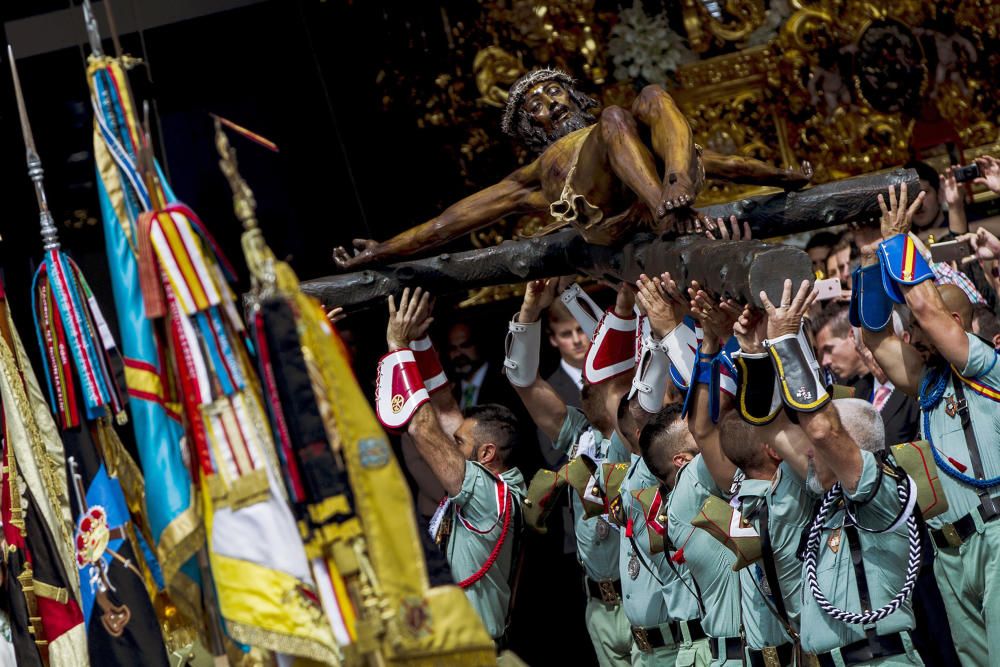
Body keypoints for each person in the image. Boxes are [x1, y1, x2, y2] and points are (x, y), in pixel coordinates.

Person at [334, 69, 811, 269]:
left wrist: (782, 177)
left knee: (650, 95)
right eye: (535, 105)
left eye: (554, 91)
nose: (550, 103)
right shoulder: (536, 172)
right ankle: (666, 206)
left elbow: (720, 161)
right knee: (617, 116)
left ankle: (672, 190)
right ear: (530, 126)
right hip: (608, 217)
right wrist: (381, 251)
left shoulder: (627, 133)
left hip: (664, 187)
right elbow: (446, 224)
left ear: (572, 93)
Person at [860, 183, 1000, 665]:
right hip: (950, 554)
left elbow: (924, 307)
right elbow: (874, 340)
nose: (912, 338)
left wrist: (898, 241)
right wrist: (870, 266)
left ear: (957, 321)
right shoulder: (929, 382)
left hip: (996, 537)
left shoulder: (989, 365)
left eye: (921, 330)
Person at [760, 279, 924, 664]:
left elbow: (822, 429)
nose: (810, 454)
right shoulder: (831, 501)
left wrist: (786, 341)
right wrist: (757, 347)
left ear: (847, 450)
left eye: (822, 450)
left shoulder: (879, 491)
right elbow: (770, 427)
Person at [377, 287, 526, 644]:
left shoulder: (488, 497)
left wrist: (397, 346)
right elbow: (444, 409)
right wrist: (420, 340)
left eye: (459, 442)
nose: (452, 444)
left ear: (487, 454)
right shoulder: (495, 484)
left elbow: (423, 426)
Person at [504, 278, 633, 665]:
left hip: (649, 600)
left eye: (599, 374)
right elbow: (524, 381)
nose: (587, 382)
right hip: (597, 604)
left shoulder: (642, 438)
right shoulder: (579, 433)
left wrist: (576, 298)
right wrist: (530, 312)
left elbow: (620, 358)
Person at [849, 321, 920, 446]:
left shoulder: (919, 389)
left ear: (904, 339)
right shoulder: (854, 393)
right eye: (867, 347)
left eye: (883, 344)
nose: (876, 355)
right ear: (858, 351)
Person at [813, 301, 868, 385]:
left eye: (828, 350)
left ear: (853, 335)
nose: (825, 362)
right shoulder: (852, 393)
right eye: (822, 354)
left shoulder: (894, 377)